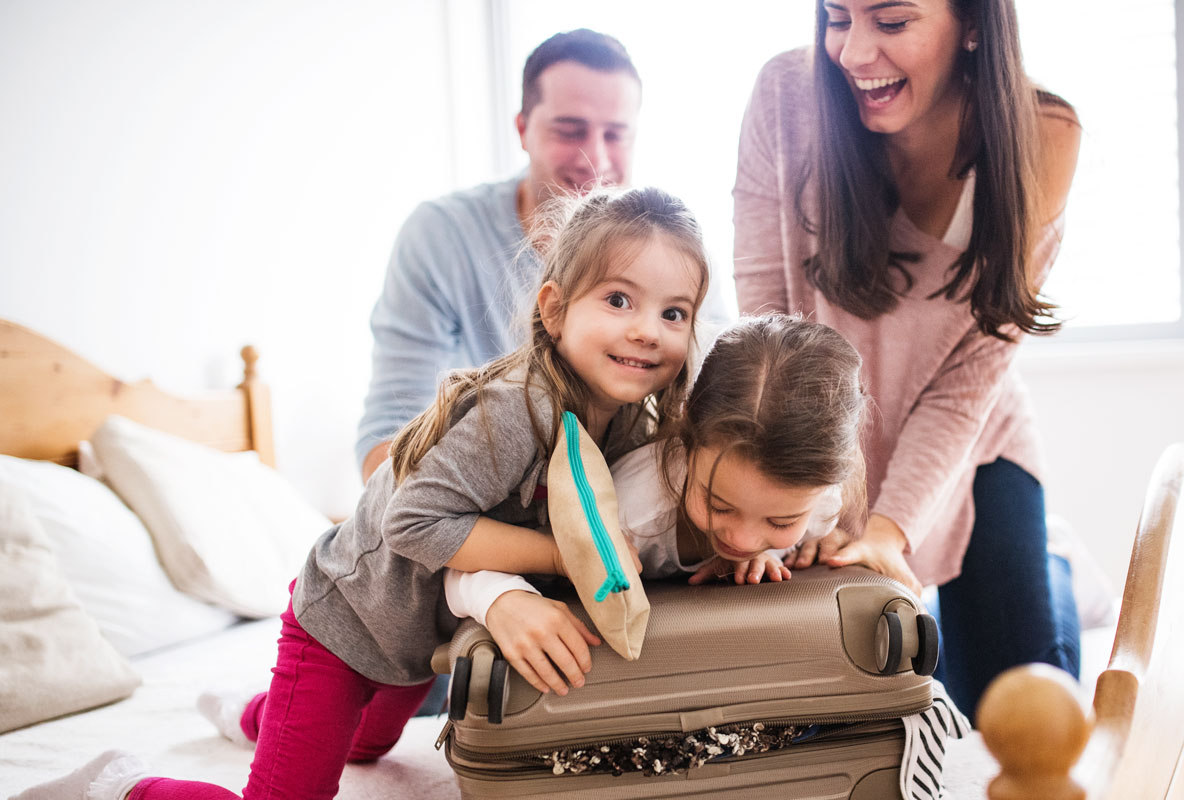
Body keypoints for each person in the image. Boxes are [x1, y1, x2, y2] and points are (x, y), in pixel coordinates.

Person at [24, 186, 710, 800]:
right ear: (555, 310)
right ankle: (119, 784)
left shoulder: (625, 423)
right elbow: (416, 525)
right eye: (619, 300)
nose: (648, 329)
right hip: (343, 621)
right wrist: (563, 555)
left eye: (674, 312)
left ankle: (252, 713)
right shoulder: (512, 410)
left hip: (415, 639)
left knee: (369, 748)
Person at [731, 0, 1083, 720]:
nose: (855, 53)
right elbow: (768, 319)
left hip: (973, 442)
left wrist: (889, 531)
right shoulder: (787, 97)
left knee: (1016, 705)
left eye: (891, 23)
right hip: (825, 433)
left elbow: (966, 386)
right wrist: (811, 495)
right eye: (837, 17)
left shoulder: (1041, 137)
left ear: (975, 24)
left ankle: (1055, 564)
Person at [443, 314, 866, 694]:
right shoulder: (631, 512)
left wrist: (780, 550)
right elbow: (460, 562)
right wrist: (499, 599)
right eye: (719, 506)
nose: (743, 538)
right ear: (686, 436)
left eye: (780, 520)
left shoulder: (822, 501)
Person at [356, 28, 643, 482]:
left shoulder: (668, 247)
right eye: (570, 131)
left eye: (616, 134)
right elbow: (387, 446)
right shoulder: (441, 237)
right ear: (523, 130)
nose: (595, 159)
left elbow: (712, 399)